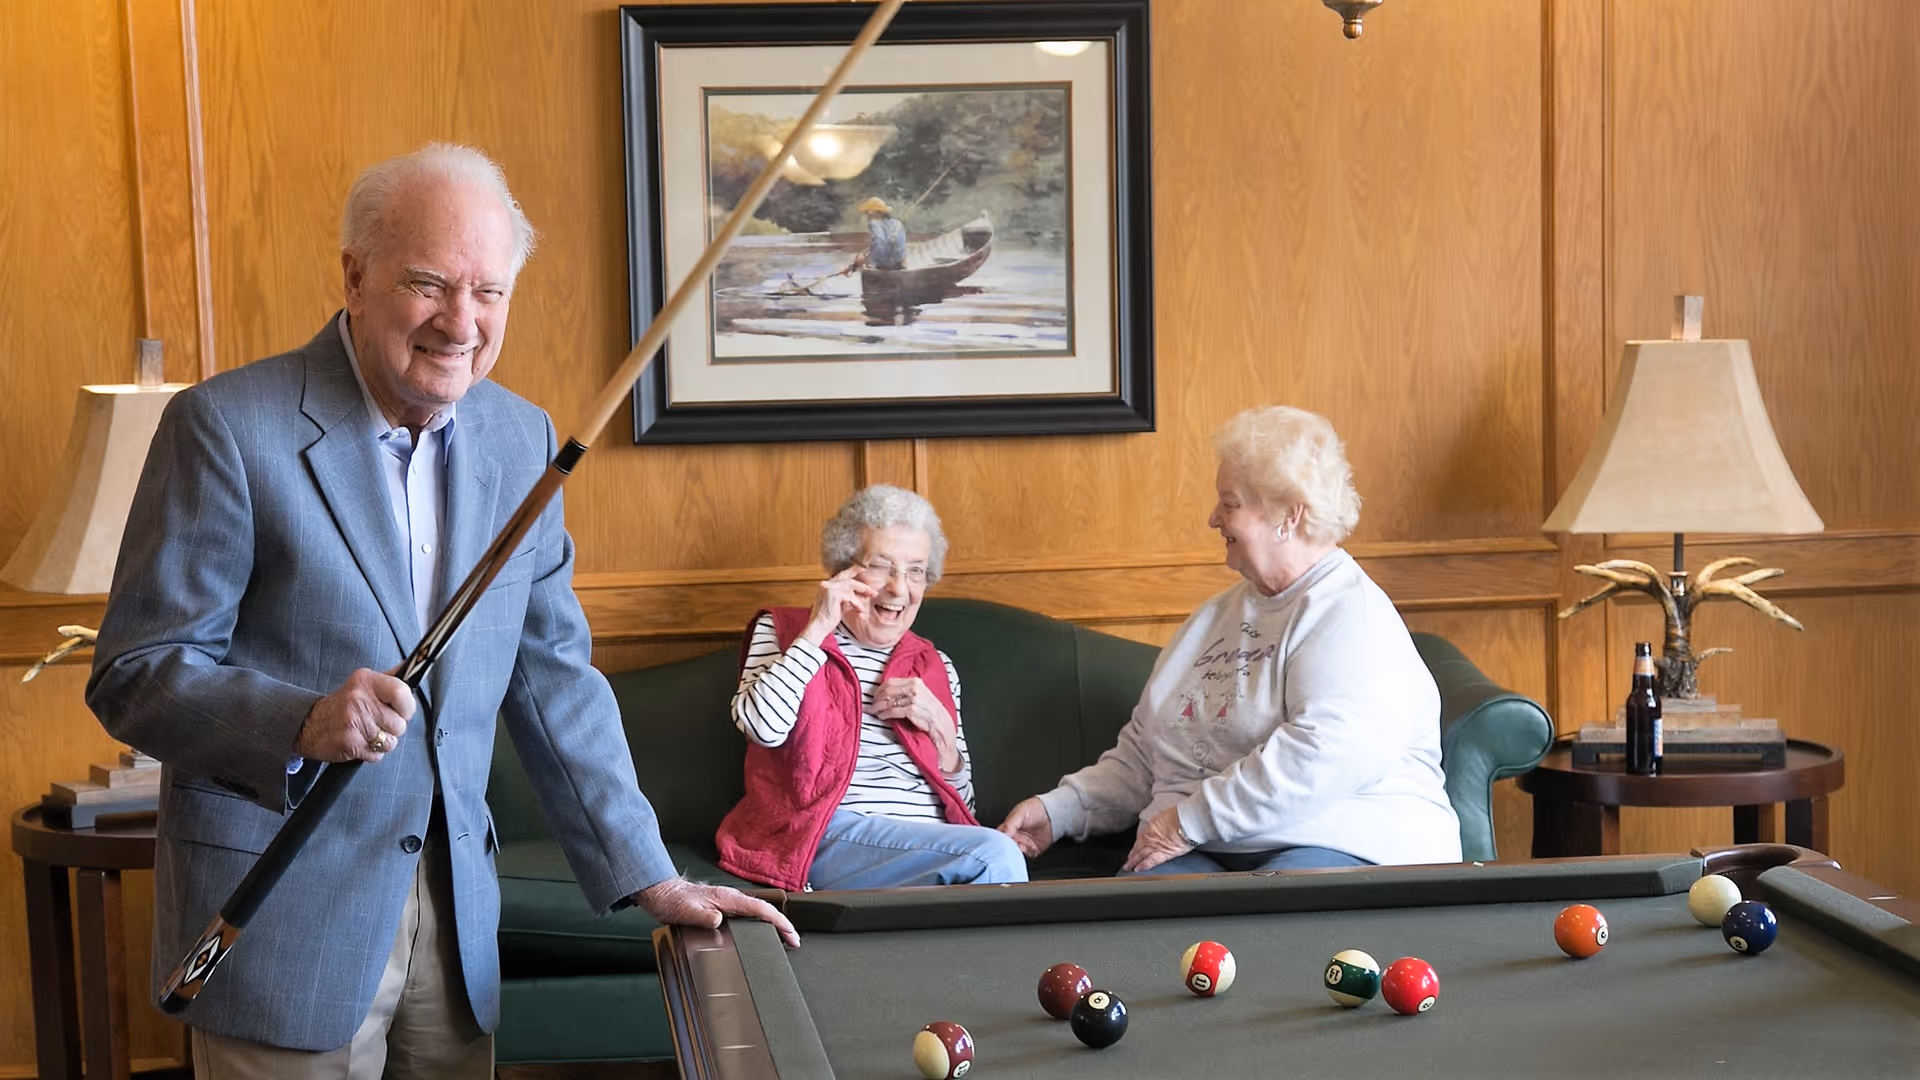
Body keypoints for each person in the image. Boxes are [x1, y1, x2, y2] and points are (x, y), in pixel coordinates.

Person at [86, 142, 796, 1079]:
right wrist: (300, 722)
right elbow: (136, 673)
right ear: (356, 275)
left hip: (456, 934)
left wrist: (651, 873)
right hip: (280, 920)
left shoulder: (524, 438)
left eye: (488, 292)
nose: (461, 321)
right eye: (429, 284)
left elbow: (554, 682)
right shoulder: (227, 427)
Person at [998, 406, 1462, 875]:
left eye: (1230, 503)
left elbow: (1323, 756)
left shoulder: (1350, 613)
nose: (1213, 518)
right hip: (1206, 842)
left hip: (1340, 839)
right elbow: (1147, 754)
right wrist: (1061, 811)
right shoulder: (1214, 618)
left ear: (1289, 514)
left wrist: (1186, 822)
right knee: (1143, 920)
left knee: (1278, 918)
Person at [715, 485, 1027, 891]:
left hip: (922, 851)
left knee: (986, 858)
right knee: (995, 855)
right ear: (842, 570)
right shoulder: (787, 632)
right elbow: (761, 726)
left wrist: (943, 737)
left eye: (916, 570)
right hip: (821, 834)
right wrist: (819, 628)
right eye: (882, 566)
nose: (899, 589)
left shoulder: (934, 665)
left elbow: (960, 810)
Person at [853, 195, 908, 271]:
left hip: (885, 265)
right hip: (900, 264)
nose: (867, 215)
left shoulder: (874, 223)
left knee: (865, 260)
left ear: (876, 213)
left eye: (867, 212)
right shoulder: (897, 223)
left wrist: (869, 262)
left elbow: (879, 241)